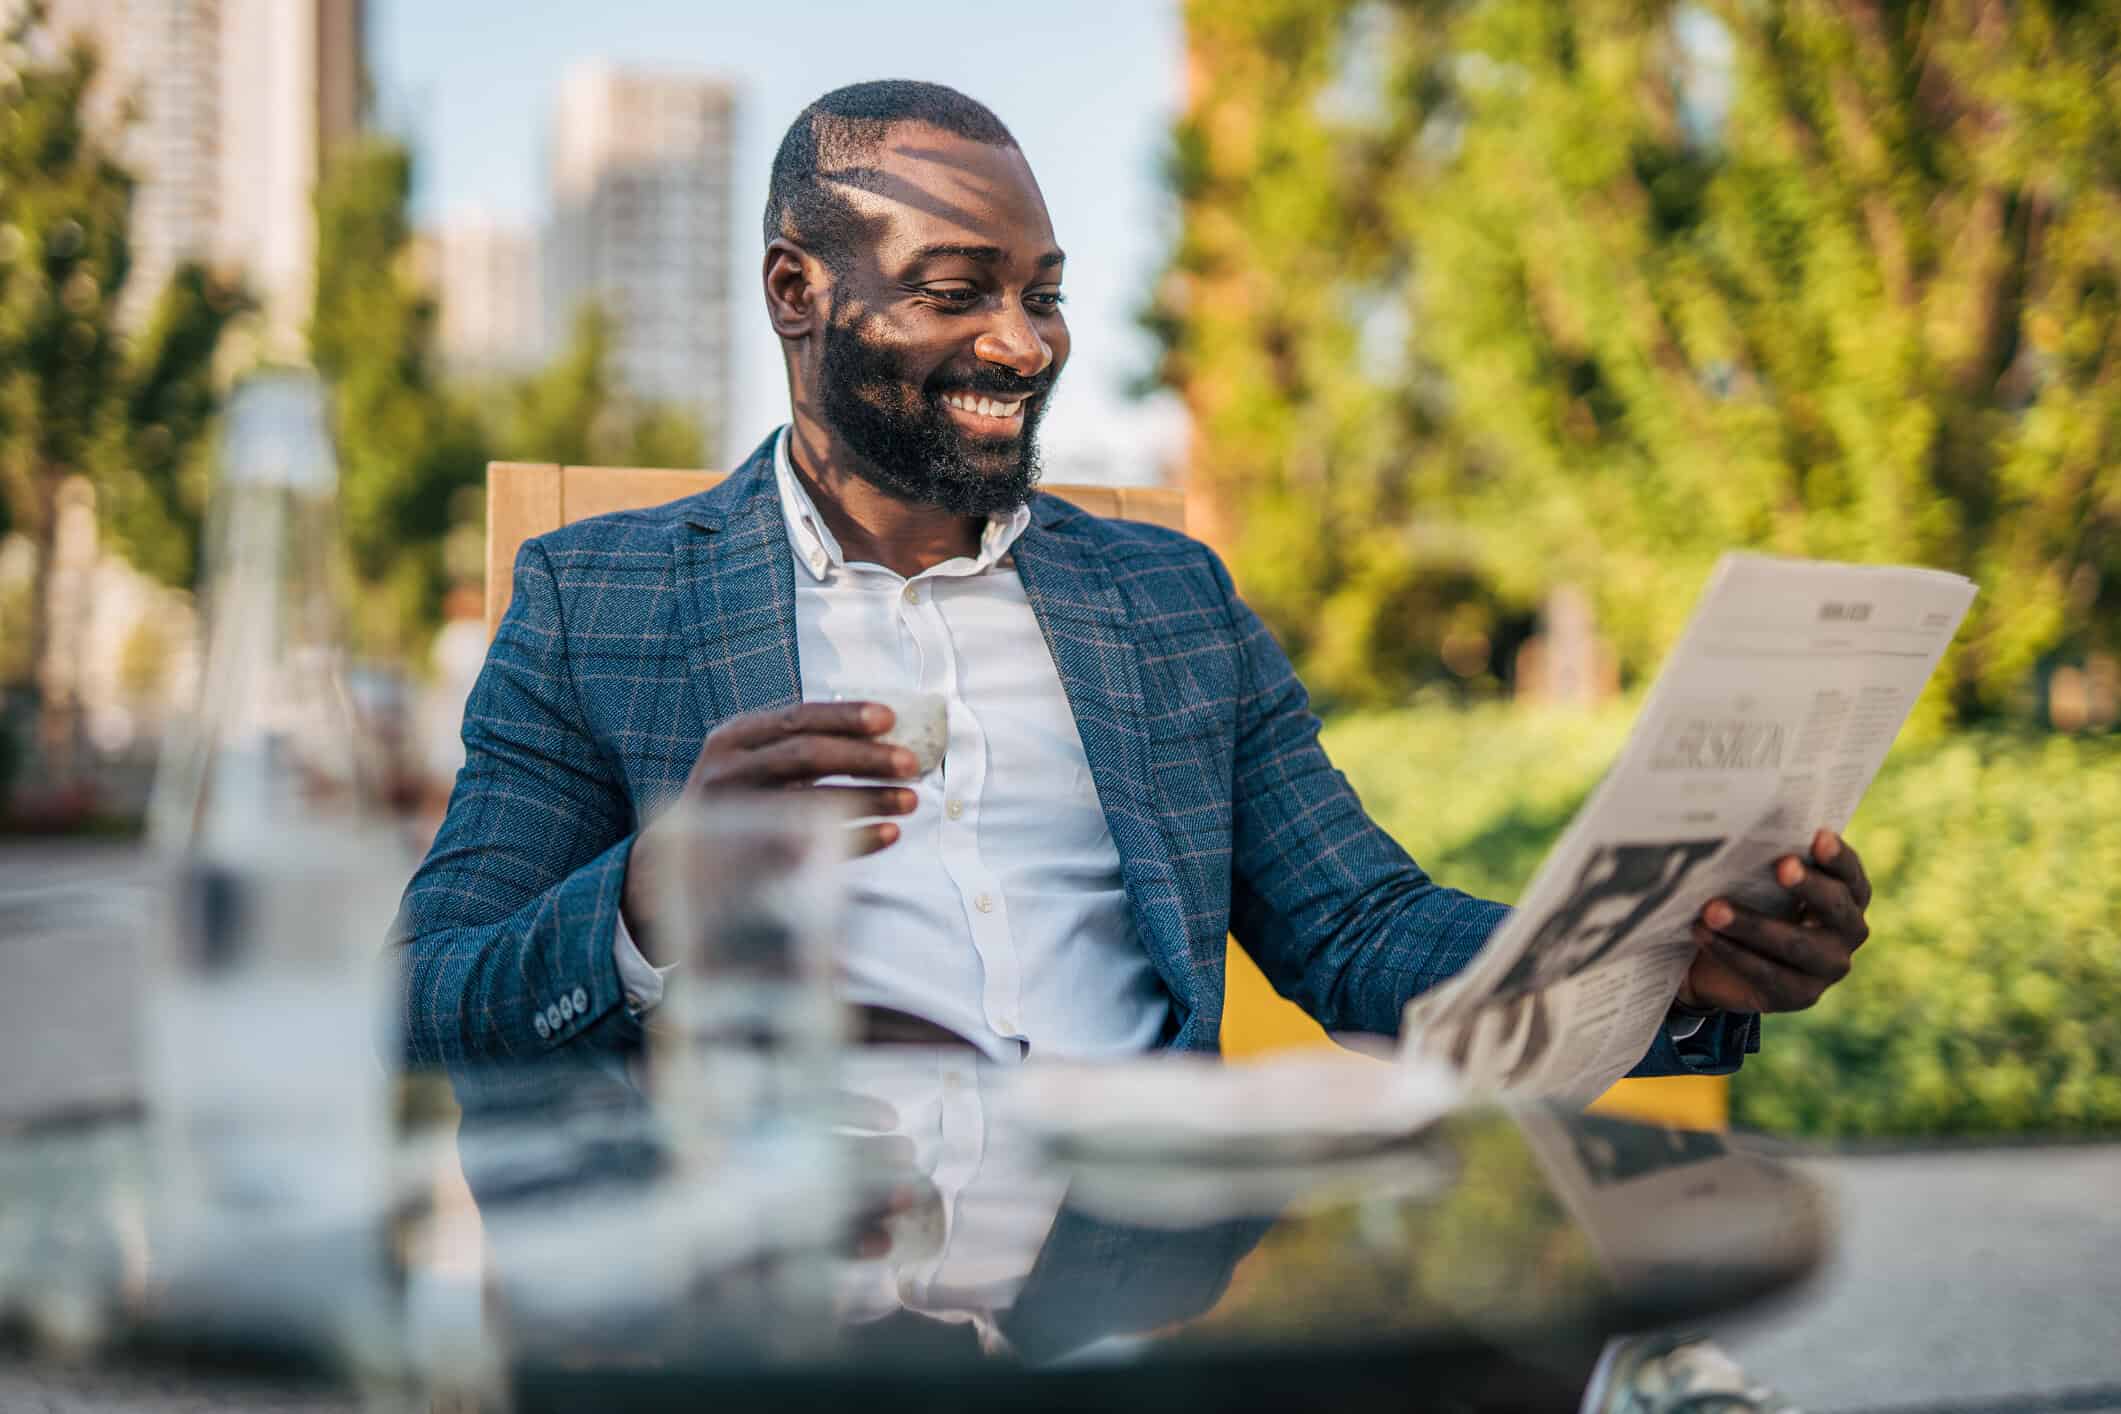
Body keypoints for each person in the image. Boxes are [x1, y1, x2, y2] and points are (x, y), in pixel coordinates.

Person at [391, 80, 1873, 1079]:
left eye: (1041, 294)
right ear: (799, 294)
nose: (1025, 344)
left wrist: (1674, 964)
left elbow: (1356, 927)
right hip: (772, 1284)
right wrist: (650, 897)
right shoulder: (604, 602)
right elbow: (422, 998)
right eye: (956, 291)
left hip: (1136, 1268)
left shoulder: (1166, 607)